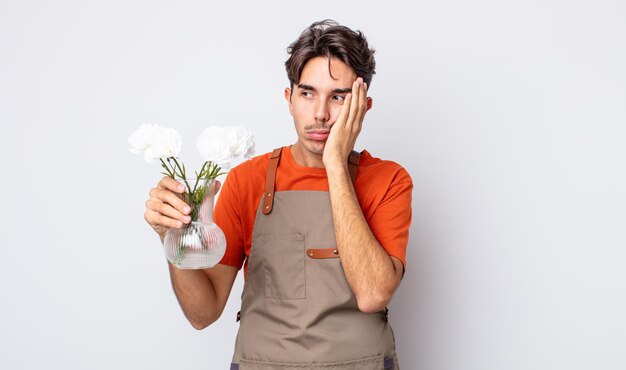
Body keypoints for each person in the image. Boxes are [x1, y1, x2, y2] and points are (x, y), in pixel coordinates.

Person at [144, 20, 412, 370]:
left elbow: (374, 293)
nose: (320, 113)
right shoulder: (247, 180)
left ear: (363, 106)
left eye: (338, 97)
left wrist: (334, 163)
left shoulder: (389, 180)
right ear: (289, 99)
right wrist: (172, 238)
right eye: (307, 93)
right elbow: (202, 313)